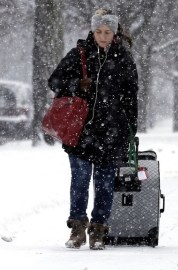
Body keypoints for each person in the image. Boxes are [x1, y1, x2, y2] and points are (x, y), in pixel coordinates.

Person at [48, 8, 138, 250]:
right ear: (92, 30)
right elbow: (54, 81)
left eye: (107, 32)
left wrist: (131, 128)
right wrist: (76, 84)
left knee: (106, 183)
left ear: (115, 32)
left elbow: (131, 95)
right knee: (79, 180)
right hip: (81, 132)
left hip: (112, 132)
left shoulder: (123, 58)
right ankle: (77, 229)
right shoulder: (79, 54)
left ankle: (99, 229)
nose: (102, 36)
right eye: (98, 31)